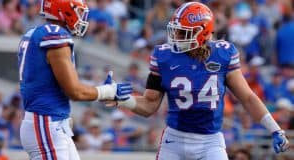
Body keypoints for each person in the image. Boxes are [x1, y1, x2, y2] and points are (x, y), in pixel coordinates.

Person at [105, 2, 289, 160]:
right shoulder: (164, 56)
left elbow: (248, 98)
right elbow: (149, 104)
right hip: (174, 140)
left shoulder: (223, 54)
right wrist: (122, 99)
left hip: (210, 141)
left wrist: (275, 129)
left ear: (202, 33)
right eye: (176, 31)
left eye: (183, 33)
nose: (175, 37)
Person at [18, 0, 132, 159]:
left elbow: (63, 84)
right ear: (62, 11)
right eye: (78, 12)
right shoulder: (55, 34)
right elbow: (74, 91)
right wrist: (107, 91)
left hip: (51, 122)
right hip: (46, 123)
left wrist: (99, 91)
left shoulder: (35, 33)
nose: (82, 18)